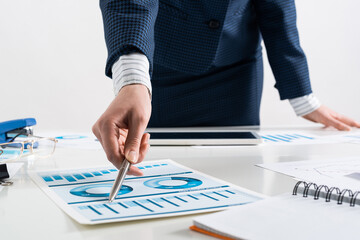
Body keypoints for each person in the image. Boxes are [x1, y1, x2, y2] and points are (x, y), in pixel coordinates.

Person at [92, 0, 360, 175]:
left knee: (240, 175)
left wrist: (303, 96)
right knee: (158, 177)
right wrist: (133, 79)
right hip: (164, 68)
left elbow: (278, 9)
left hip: (237, 70)